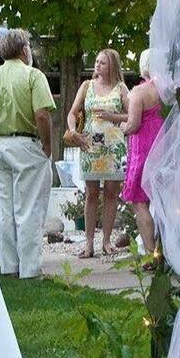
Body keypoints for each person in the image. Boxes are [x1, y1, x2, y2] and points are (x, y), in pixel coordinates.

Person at [0, 29, 54, 279]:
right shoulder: (33, 75)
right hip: (25, 143)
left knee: (4, 211)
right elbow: (42, 114)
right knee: (28, 208)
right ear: (24, 50)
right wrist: (47, 146)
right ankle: (30, 270)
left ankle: (9, 266)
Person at [66, 47, 129, 258]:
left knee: (112, 192)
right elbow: (73, 113)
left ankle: (107, 241)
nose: (97, 65)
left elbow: (131, 116)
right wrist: (73, 131)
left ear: (112, 65)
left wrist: (113, 116)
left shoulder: (121, 89)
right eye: (97, 62)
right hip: (90, 144)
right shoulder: (87, 86)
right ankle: (89, 243)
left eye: (102, 62)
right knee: (91, 193)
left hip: (113, 147)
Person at [121, 48, 165, 257]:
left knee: (140, 203)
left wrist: (122, 128)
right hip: (164, 148)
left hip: (143, 151)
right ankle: (165, 250)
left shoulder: (138, 92)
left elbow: (134, 124)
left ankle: (150, 253)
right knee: (163, 202)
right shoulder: (167, 91)